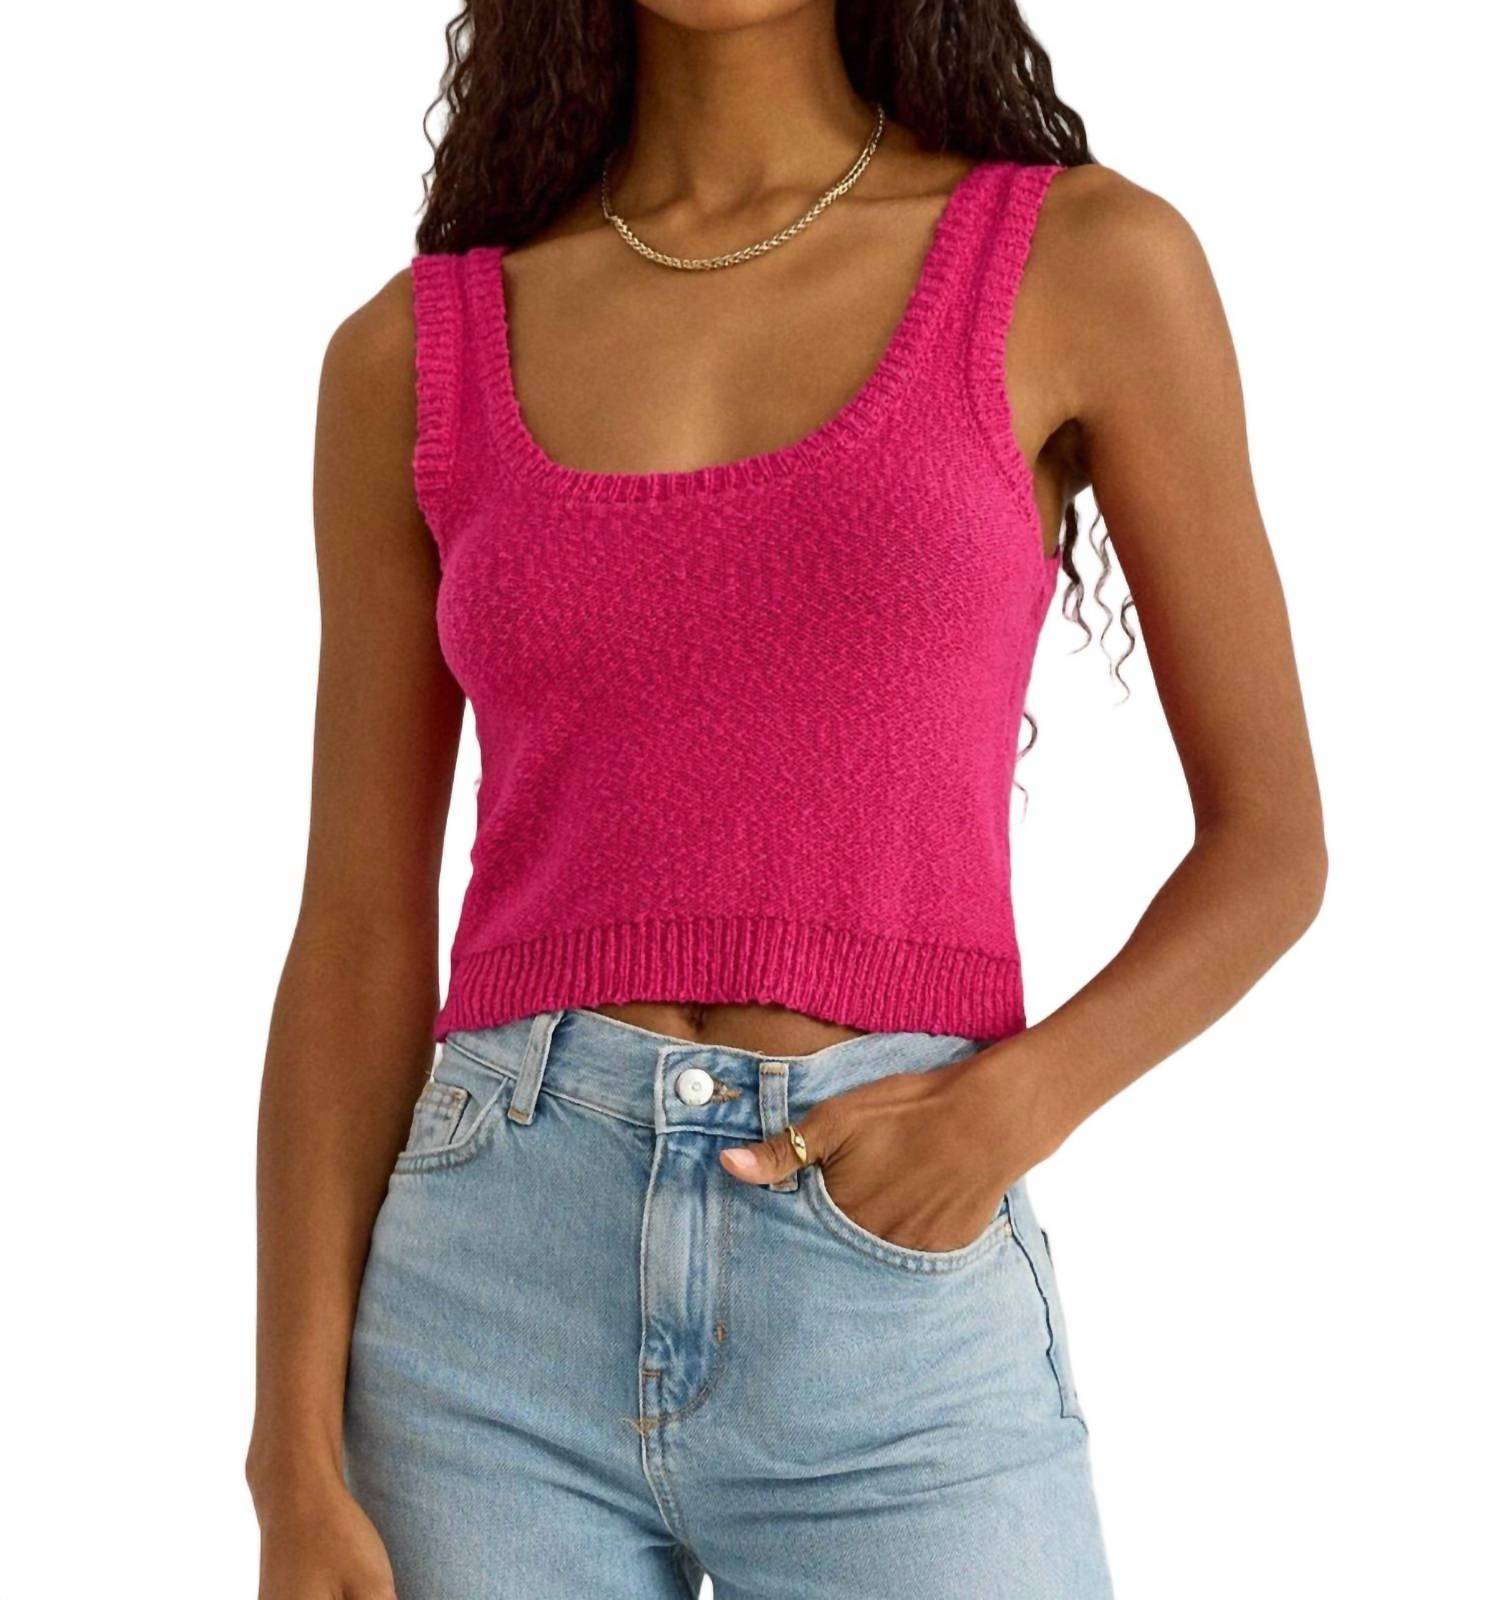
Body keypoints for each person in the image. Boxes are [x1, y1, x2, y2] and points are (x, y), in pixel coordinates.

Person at [245, 3, 1326, 1596]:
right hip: (482, 1320)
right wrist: (289, 1455)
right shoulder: (410, 354)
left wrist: (1009, 1109)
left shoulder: (1083, 263)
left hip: (890, 1285)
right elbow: (354, 936)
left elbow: (1273, 843)